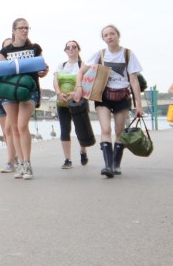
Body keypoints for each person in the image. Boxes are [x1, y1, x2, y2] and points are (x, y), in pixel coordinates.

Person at [70, 24, 144, 178]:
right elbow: (81, 71)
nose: (109, 37)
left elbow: (134, 81)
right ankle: (108, 166)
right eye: (106, 35)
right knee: (105, 130)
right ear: (103, 39)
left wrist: (139, 105)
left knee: (118, 131)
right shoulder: (100, 54)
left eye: (112, 34)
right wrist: (78, 87)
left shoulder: (128, 54)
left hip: (122, 96)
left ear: (118, 35)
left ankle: (116, 164)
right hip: (103, 95)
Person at [0, 18, 48, 180]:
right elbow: (2, 75)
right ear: (14, 31)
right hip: (10, 93)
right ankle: (20, 164)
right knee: (14, 128)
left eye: (27, 28)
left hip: (28, 91)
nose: (24, 31)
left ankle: (27, 163)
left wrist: (43, 71)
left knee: (22, 125)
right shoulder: (4, 52)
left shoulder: (34, 48)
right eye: (21, 28)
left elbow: (41, 71)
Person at [52, 40, 88, 169]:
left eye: (74, 47)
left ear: (78, 49)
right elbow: (55, 81)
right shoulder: (60, 66)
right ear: (65, 50)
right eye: (68, 47)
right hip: (62, 102)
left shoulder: (83, 65)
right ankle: (68, 159)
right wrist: (59, 93)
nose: (71, 49)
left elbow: (87, 82)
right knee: (65, 129)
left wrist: (76, 93)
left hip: (79, 101)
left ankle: (83, 151)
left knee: (80, 129)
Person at [0, 37, 18, 173]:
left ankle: (11, 161)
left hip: (11, 98)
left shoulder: (18, 62)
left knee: (10, 129)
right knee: (6, 132)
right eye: (6, 47)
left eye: (11, 46)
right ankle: (14, 156)